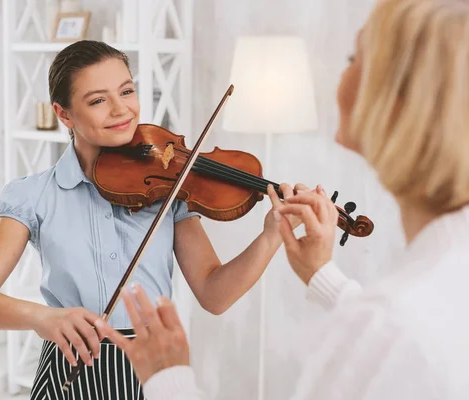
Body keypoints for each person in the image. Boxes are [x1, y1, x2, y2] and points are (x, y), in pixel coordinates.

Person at [94, 0, 469, 399]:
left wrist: (168, 378)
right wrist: (321, 273)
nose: (341, 73)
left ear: (396, 104)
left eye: (353, 57)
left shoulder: (389, 327)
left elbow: (389, 334)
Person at [0, 40, 312, 400]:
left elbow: (214, 294)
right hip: (72, 372)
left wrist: (271, 236)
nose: (121, 109)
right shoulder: (33, 195)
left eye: (127, 91)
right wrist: (43, 318)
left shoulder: (169, 188)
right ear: (64, 114)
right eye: (97, 100)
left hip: (155, 372)